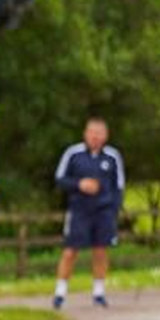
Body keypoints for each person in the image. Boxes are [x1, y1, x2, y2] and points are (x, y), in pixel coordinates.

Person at [52, 117, 125, 308]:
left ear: (106, 135)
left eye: (100, 133)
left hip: (103, 211)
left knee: (101, 251)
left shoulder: (112, 156)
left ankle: (98, 292)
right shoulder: (73, 154)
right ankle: (60, 293)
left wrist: (114, 210)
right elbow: (60, 179)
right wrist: (79, 184)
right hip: (79, 210)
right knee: (70, 251)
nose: (95, 137)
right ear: (85, 133)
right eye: (92, 132)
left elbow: (119, 186)